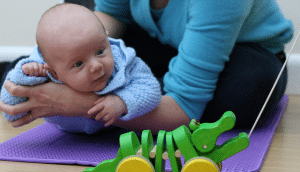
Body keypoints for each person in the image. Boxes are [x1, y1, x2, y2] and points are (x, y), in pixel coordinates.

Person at [0, 0, 293, 133]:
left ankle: (136, 101)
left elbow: (184, 109)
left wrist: (78, 103)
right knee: (73, 14)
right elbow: (109, 18)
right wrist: (54, 62)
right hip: (166, 44)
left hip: (244, 55)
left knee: (246, 89)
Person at [0, 3, 161, 133]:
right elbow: (10, 111)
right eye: (79, 64)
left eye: (100, 51)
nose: (96, 66)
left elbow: (151, 89)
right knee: (16, 67)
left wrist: (123, 102)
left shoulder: (124, 63)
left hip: (112, 137)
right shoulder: (44, 70)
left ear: (107, 39)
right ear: (55, 72)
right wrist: (25, 76)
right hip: (65, 142)